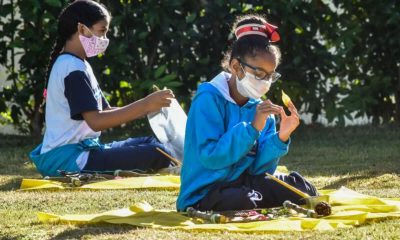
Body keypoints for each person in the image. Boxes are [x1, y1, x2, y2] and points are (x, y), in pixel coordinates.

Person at [177, 14, 318, 212]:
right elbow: (211, 157)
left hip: (245, 185)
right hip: (206, 192)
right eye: (259, 74)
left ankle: (255, 197)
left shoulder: (262, 109)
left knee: (302, 189)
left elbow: (260, 170)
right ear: (236, 66)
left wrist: (281, 137)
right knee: (240, 200)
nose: (265, 82)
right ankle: (254, 198)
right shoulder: (208, 99)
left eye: (270, 75)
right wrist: (252, 129)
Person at [30, 0, 174, 177]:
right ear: (82, 29)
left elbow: (106, 111)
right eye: (102, 31)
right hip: (70, 159)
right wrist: (145, 105)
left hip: (83, 151)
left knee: (155, 143)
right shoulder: (72, 69)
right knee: (157, 151)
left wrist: (149, 107)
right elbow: (96, 121)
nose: (105, 39)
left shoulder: (78, 64)